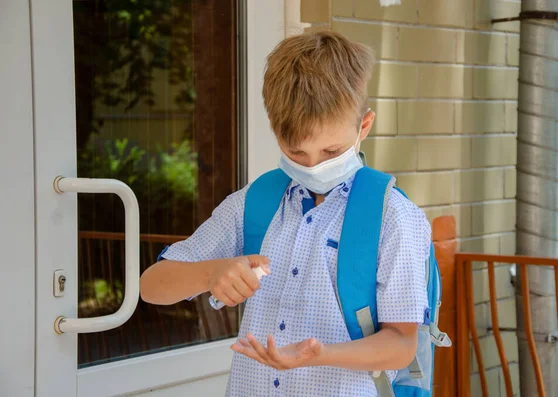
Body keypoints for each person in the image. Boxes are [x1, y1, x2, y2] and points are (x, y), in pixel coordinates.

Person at [140, 30, 431, 396]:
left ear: (364, 127)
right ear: (277, 134)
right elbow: (152, 286)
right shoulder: (255, 202)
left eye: (331, 152)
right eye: (297, 153)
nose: (313, 166)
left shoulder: (393, 217)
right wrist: (211, 272)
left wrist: (323, 354)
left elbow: (402, 344)